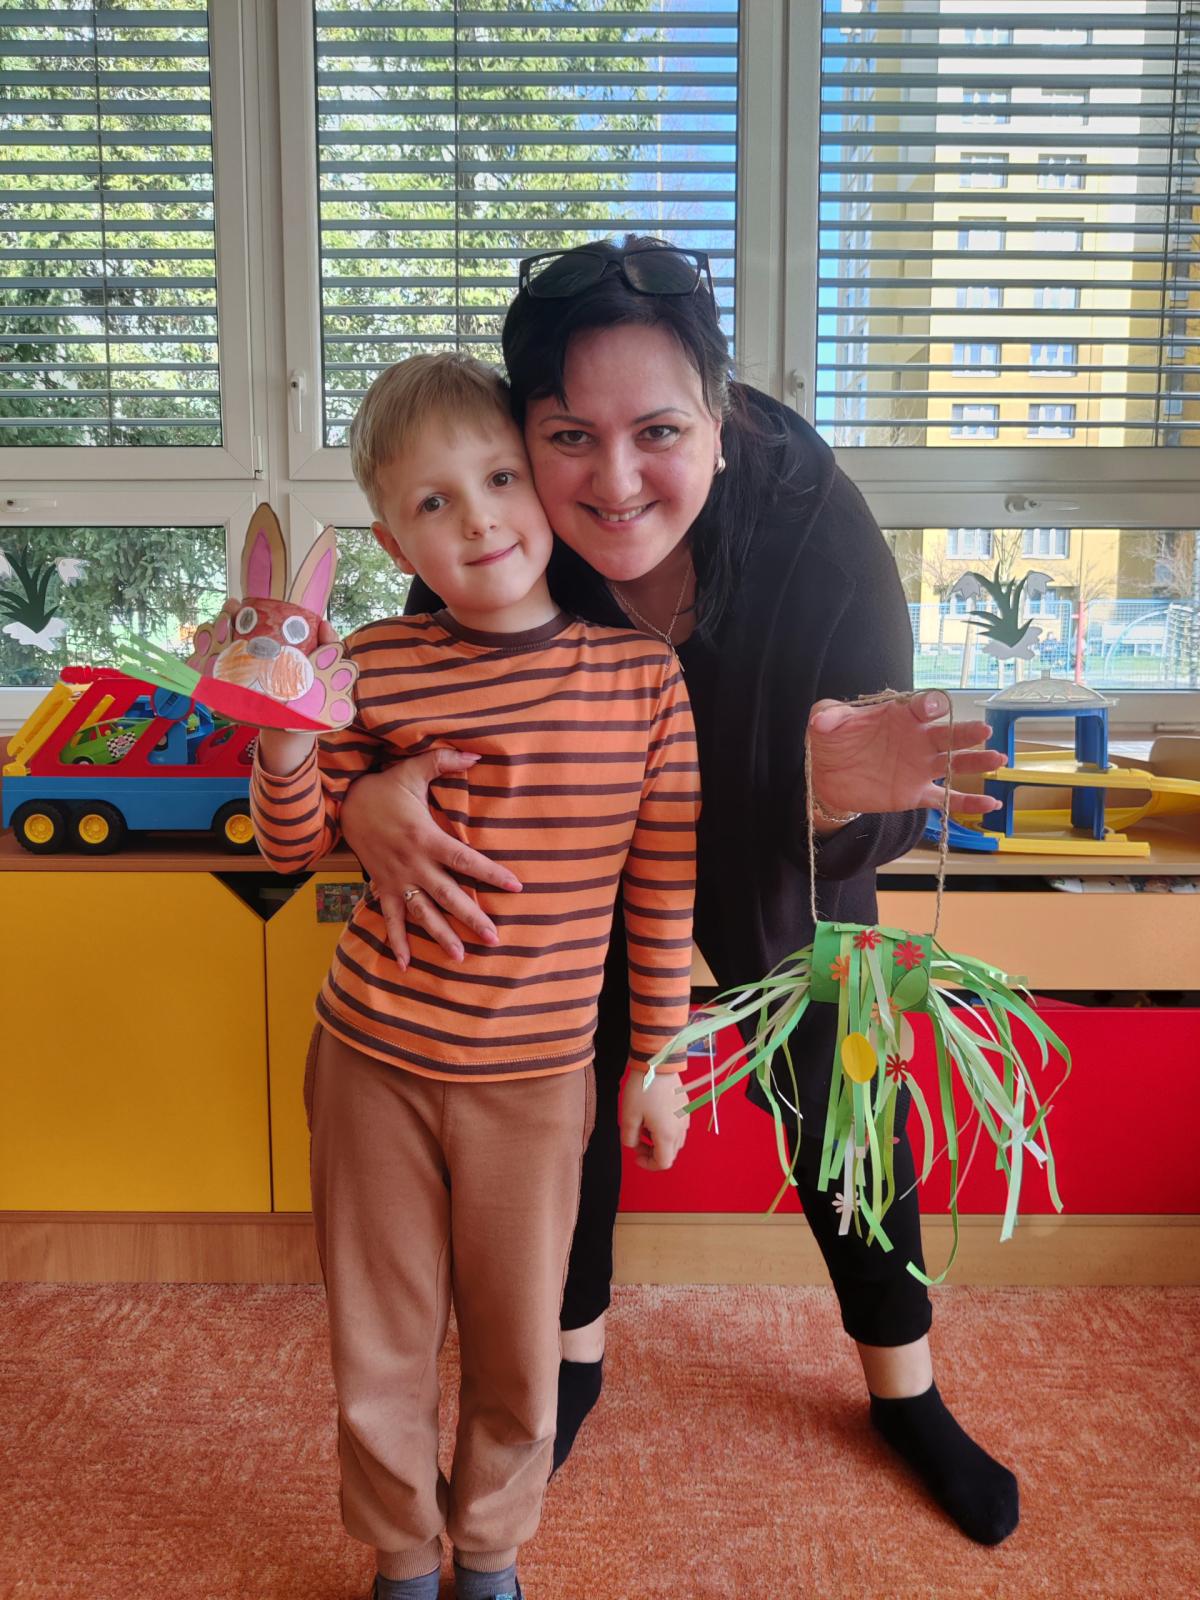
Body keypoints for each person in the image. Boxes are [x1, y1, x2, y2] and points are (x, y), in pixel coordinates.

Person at [337, 238, 1019, 1547]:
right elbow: (410, 695)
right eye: (568, 438)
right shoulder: (502, 511)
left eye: (658, 431)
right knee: (570, 1091)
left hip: (784, 843)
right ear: (521, 437)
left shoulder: (822, 544)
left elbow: (877, 830)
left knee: (841, 1084)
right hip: (578, 864)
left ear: (720, 415)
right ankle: (575, 1355)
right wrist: (372, 798)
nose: (615, 479)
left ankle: (906, 1387)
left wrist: (831, 796)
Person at [248, 352, 699, 1600]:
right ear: (394, 538)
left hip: (538, 1080)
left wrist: (657, 1057)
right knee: (379, 1340)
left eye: (501, 478)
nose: (480, 518)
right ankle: (402, 1555)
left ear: (544, 486)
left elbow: (664, 886)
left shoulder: (643, 680)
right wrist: (286, 746)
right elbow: (291, 847)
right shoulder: (372, 667)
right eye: (434, 502)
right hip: (371, 1062)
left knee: (519, 1345)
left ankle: (490, 1553)